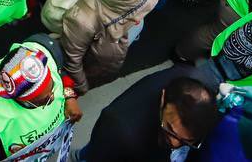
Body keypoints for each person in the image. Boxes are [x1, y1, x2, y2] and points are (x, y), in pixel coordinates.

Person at [0, 38, 80, 162]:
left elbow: (61, 73)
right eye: (44, 100)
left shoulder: (42, 55)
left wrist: (69, 96)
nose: (53, 97)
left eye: (52, 87)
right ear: (22, 99)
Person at [56, 0, 161, 90]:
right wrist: (81, 86)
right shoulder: (82, 22)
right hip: (92, 59)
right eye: (140, 11)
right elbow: (72, 61)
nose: (139, 18)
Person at [81, 68, 218, 162]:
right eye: (170, 129)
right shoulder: (120, 131)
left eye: (186, 141)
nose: (175, 144)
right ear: (163, 98)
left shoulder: (195, 80)